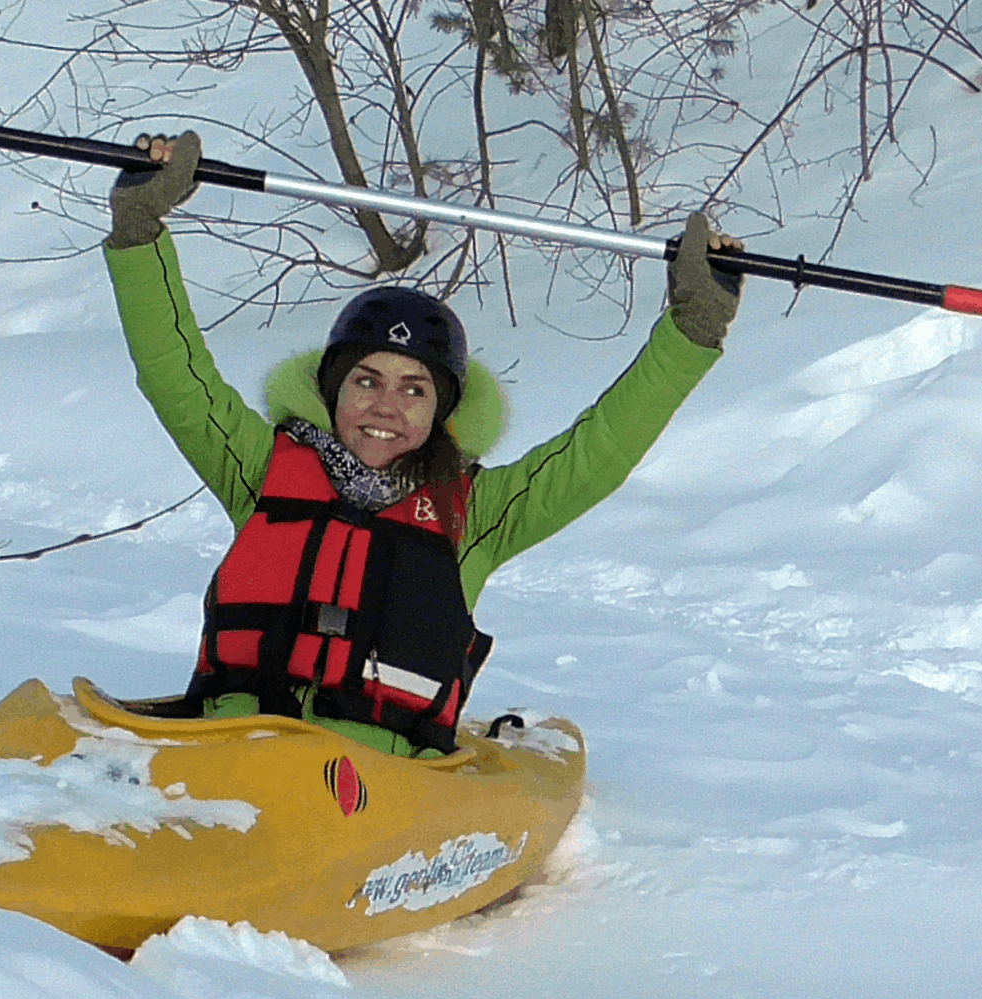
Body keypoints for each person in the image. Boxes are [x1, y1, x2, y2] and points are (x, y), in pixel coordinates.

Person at [102, 132, 742, 758]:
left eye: (414, 391)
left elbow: (600, 450)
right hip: (231, 757)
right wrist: (140, 230)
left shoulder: (478, 512)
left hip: (375, 794)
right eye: (366, 381)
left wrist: (693, 326)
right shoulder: (261, 467)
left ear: (441, 415)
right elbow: (175, 375)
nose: (385, 406)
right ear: (332, 393)